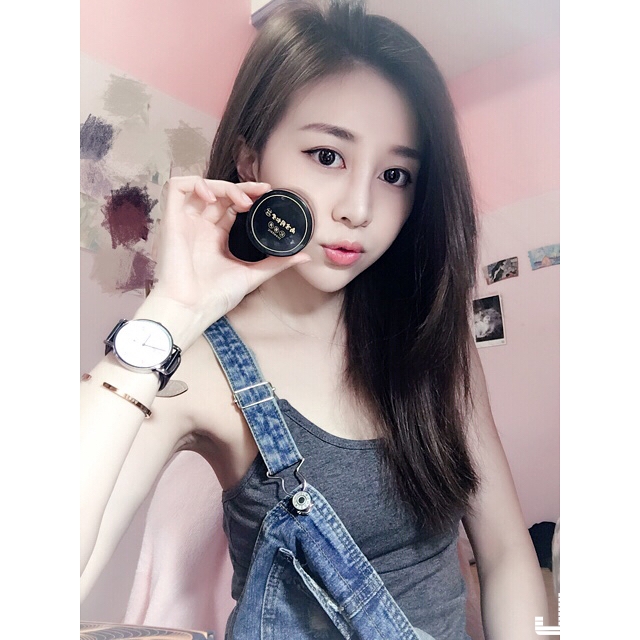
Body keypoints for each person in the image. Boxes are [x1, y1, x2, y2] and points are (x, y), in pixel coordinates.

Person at [80, 1, 548, 638]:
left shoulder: (430, 337)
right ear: (251, 161)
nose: (359, 208)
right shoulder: (199, 365)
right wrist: (170, 312)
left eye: (395, 174)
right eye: (327, 156)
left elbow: (505, 553)